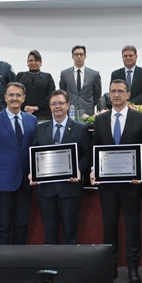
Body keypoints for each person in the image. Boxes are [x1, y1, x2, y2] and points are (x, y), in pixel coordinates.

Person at [90, 79, 142, 283]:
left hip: (131, 182)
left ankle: (133, 269)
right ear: (109, 95)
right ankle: (110, 267)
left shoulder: (140, 118)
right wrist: (93, 170)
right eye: (113, 91)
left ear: (128, 95)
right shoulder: (100, 120)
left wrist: (141, 170)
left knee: (132, 225)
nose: (116, 95)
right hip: (107, 184)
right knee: (109, 226)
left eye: (120, 91)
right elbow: (95, 149)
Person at [30, 90, 91, 245]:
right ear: (50, 106)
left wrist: (78, 169)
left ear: (68, 105)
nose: (57, 106)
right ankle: (52, 268)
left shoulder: (80, 128)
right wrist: (33, 172)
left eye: (61, 103)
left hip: (70, 190)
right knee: (49, 232)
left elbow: (87, 155)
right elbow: (35, 155)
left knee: (70, 232)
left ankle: (69, 268)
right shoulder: (40, 128)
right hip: (46, 191)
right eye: (54, 103)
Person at [0, 82, 37, 245]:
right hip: (3, 183)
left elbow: (36, 149)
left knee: (22, 225)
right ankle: (3, 265)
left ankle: (19, 263)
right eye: (11, 95)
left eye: (18, 95)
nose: (15, 98)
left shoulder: (32, 120)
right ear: (5, 98)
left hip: (26, 182)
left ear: (24, 98)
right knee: (4, 227)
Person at [59, 45, 102, 116]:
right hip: (70, 110)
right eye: (76, 54)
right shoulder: (65, 74)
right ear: (72, 57)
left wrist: (90, 103)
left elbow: (97, 94)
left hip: (87, 111)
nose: (79, 57)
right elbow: (63, 92)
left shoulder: (94, 74)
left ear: (85, 56)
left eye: (81, 54)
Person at [15, 50, 56, 121]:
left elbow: (51, 95)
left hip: (43, 115)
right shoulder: (20, 76)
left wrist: (37, 107)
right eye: (30, 60)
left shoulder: (47, 76)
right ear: (27, 62)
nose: (33, 63)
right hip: (23, 113)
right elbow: (15, 93)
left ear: (41, 62)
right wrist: (25, 106)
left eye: (36, 60)